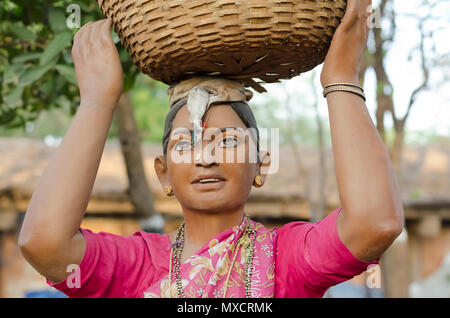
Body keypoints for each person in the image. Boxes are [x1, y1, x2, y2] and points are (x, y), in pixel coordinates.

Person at [18, 0, 404, 298]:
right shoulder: (135, 265)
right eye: (185, 143)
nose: (206, 157)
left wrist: (340, 80)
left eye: (229, 141)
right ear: (163, 171)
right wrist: (98, 102)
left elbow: (375, 223)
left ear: (261, 164)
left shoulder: (288, 259)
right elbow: (44, 243)